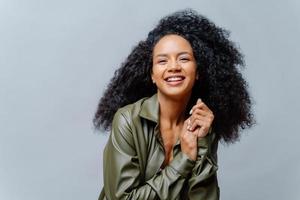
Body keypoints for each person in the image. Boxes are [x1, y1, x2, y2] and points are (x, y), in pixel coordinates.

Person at [93, 9, 254, 200]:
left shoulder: (202, 125)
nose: (174, 67)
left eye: (184, 58)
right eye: (162, 61)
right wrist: (183, 160)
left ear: (198, 71)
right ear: (152, 75)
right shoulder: (128, 120)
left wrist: (202, 142)